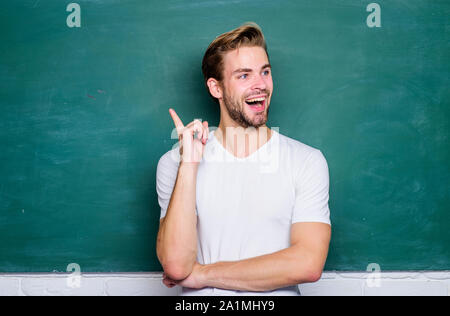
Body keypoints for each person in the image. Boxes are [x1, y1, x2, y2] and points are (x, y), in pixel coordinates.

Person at [156, 22, 331, 296]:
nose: (260, 85)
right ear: (216, 88)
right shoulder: (174, 163)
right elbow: (177, 267)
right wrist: (188, 166)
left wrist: (202, 274)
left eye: (265, 72)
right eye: (243, 76)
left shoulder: (306, 161)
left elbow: (308, 264)